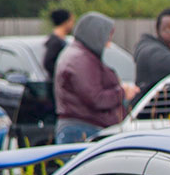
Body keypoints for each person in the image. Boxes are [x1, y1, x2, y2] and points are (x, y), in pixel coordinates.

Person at [54, 11, 139, 143]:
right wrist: (123, 92)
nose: (108, 44)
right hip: (82, 130)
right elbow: (95, 98)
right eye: (107, 37)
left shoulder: (80, 55)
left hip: (82, 128)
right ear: (95, 34)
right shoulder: (80, 60)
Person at [42, 8, 74, 83]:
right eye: (71, 21)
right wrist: (63, 74)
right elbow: (48, 63)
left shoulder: (61, 40)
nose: (73, 24)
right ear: (65, 22)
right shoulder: (55, 42)